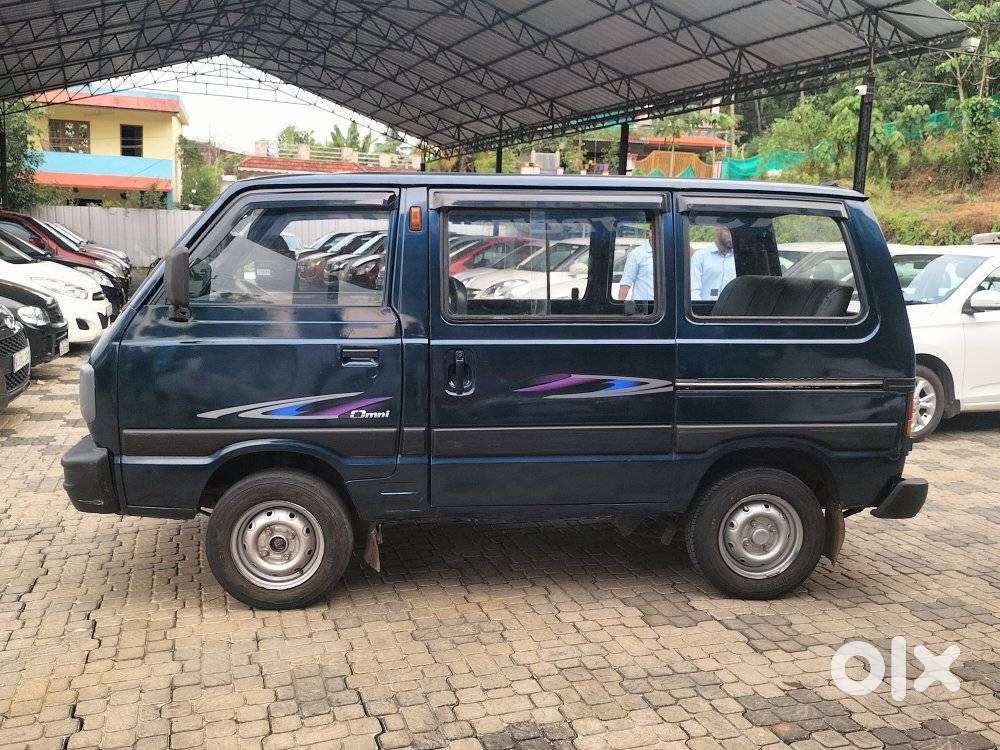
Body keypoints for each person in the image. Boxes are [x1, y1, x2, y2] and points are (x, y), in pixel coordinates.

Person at [691, 226, 737, 301]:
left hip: (732, 311)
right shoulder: (700, 256)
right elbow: (693, 290)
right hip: (705, 309)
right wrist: (699, 310)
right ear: (717, 230)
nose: (733, 235)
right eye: (729, 231)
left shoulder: (738, 258)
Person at [617, 229, 654, 301]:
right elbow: (626, 282)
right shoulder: (637, 253)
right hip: (642, 307)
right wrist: (618, 308)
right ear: (650, 232)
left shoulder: (671, 252)